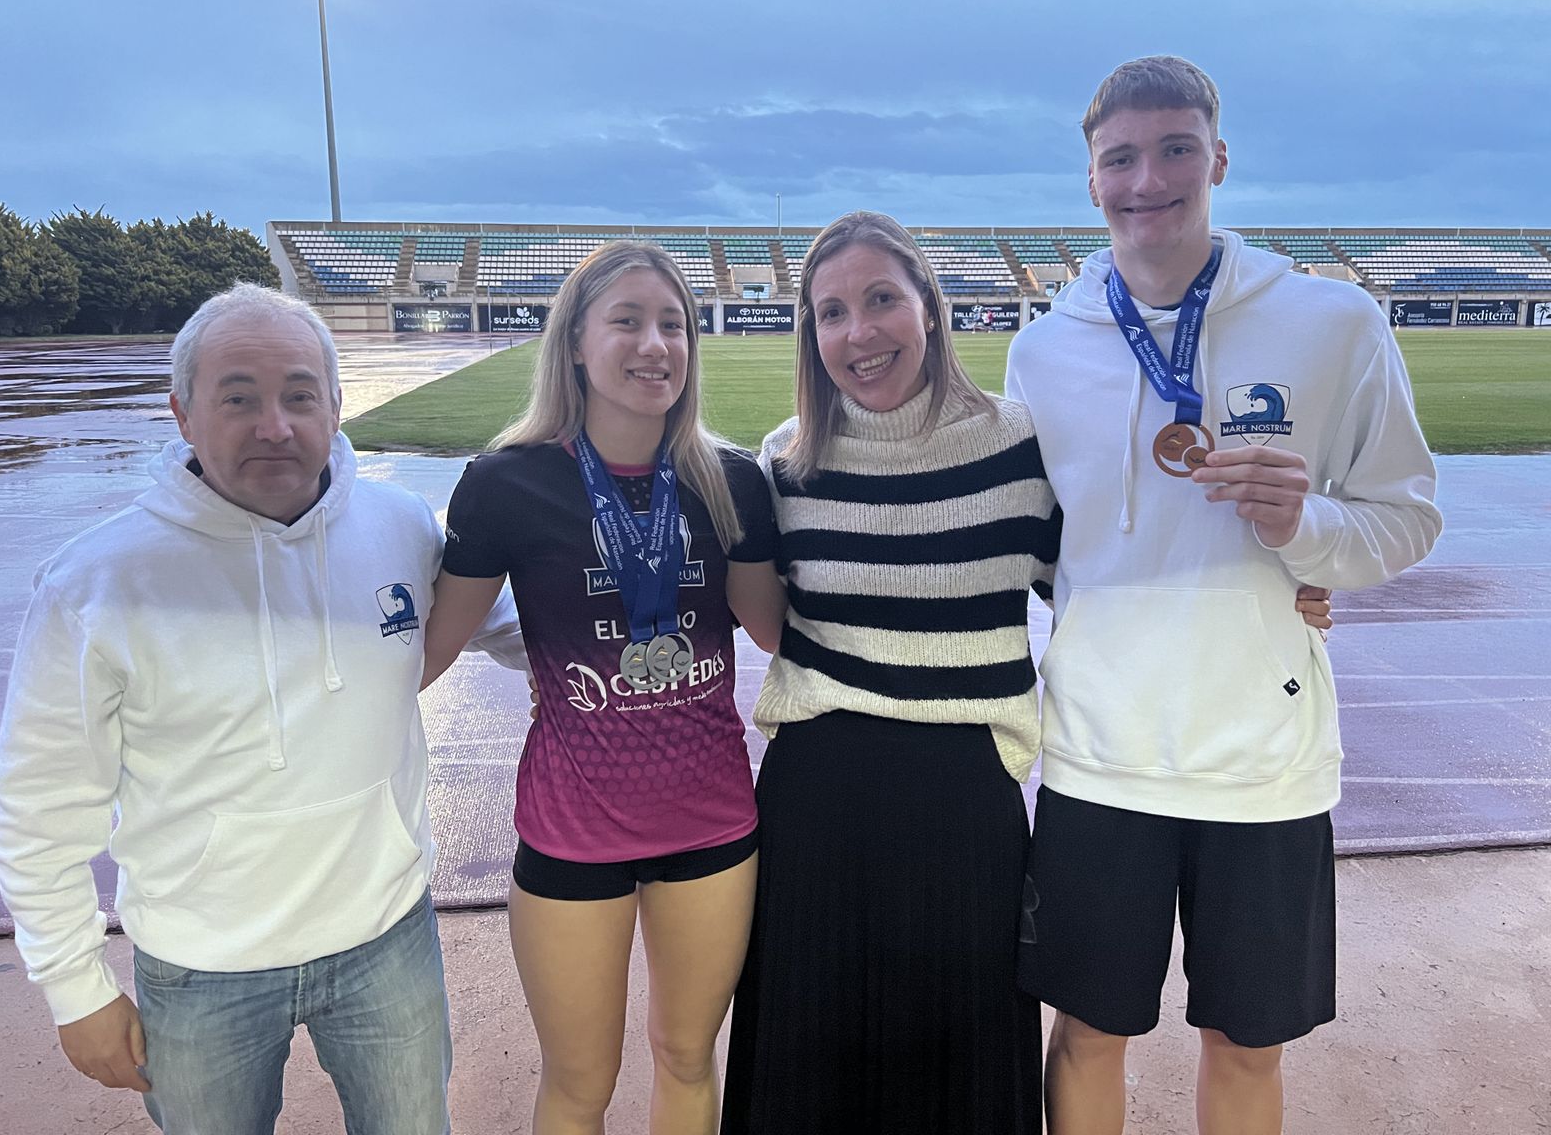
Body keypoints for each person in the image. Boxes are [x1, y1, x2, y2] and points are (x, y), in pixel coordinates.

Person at [1004, 55, 1442, 1135]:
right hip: (1101, 749)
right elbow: (1036, 550)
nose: (1145, 178)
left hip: (1264, 762)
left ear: (1219, 158)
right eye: (1119, 158)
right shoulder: (1043, 351)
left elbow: (1407, 516)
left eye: (1173, 149)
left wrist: (1310, 537)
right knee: (1086, 1033)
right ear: (1089, 177)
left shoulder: (1333, 325)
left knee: (1247, 1046)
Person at [0, 282, 519, 1134]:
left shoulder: (399, 524)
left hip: (386, 937)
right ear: (183, 412)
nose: (275, 425)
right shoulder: (97, 583)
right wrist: (74, 987)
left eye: (300, 396)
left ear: (337, 404)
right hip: (201, 965)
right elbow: (39, 807)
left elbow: (508, 624)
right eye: (238, 398)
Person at [423, 241, 786, 1135]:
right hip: (571, 830)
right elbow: (425, 654)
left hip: (711, 824)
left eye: (674, 324)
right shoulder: (506, 485)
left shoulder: (732, 481)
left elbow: (777, 634)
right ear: (575, 342)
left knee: (689, 1057)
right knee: (581, 1081)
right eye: (626, 320)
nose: (654, 343)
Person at [719, 210, 1061, 1135]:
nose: (857, 333)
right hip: (816, 788)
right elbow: (753, 612)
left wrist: (1294, 580)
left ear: (930, 310)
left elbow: (1105, 588)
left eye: (880, 301)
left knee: (964, 1059)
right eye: (830, 312)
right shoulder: (786, 464)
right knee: (803, 1053)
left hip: (964, 790)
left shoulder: (1023, 448)